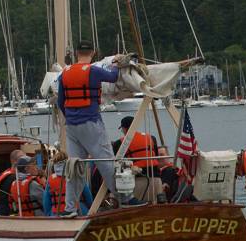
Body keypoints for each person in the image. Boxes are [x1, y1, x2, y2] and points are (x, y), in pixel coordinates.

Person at [57, 38, 127, 216]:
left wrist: (70, 117)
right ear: (93, 53)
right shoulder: (93, 71)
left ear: (76, 53)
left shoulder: (65, 73)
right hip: (91, 122)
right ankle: (124, 199)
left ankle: (70, 208)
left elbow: (60, 101)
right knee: (106, 161)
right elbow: (113, 77)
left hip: (71, 126)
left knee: (74, 166)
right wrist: (116, 64)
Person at [114, 115, 165, 203]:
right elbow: (155, 156)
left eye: (122, 129)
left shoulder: (119, 143)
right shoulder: (152, 138)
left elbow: (116, 164)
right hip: (156, 180)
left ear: (124, 129)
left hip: (136, 182)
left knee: (136, 207)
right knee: (155, 206)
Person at [0, 149, 31, 216]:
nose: (26, 161)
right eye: (23, 159)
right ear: (14, 161)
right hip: (8, 214)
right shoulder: (11, 178)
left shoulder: (9, 173)